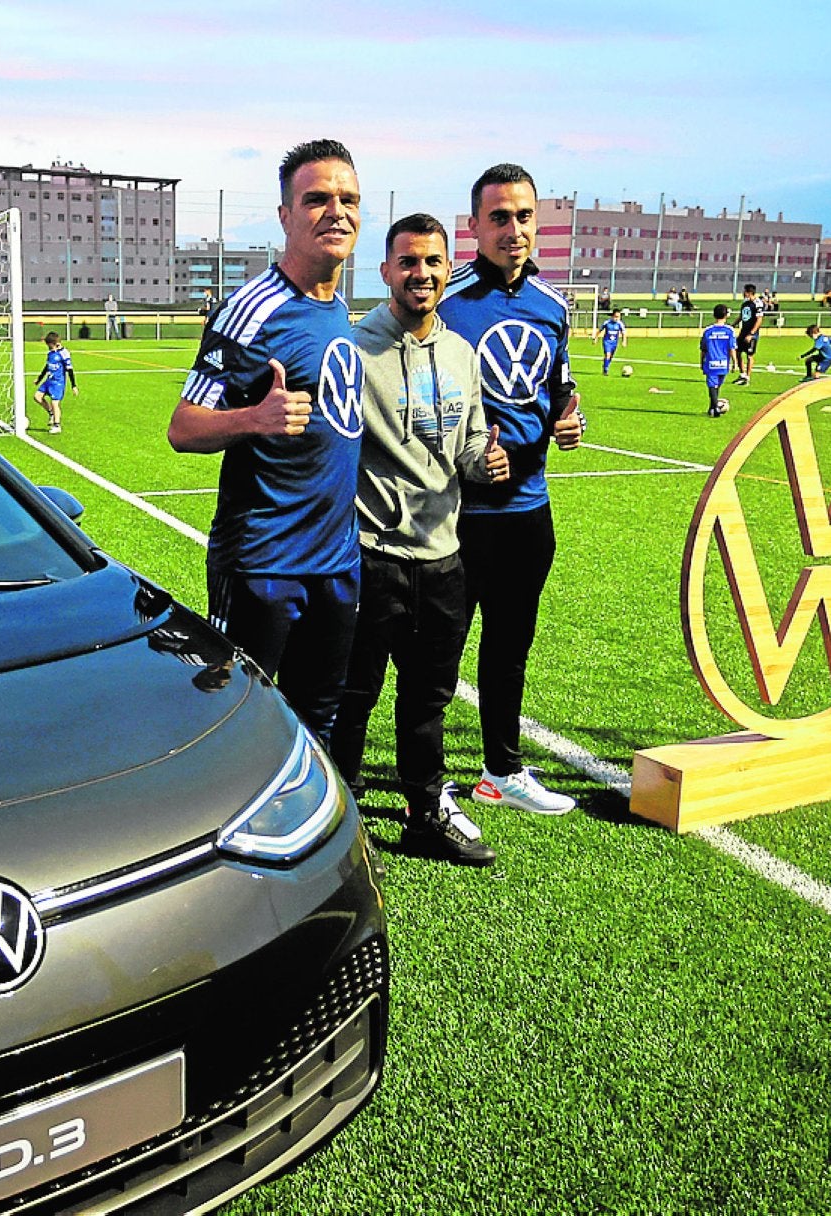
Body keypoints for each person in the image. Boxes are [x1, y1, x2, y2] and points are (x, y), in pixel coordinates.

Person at [167, 139, 365, 748]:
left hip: (337, 563)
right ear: (285, 216)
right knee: (237, 726)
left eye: (349, 199)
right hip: (264, 564)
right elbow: (183, 426)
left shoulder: (340, 308)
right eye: (317, 200)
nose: (336, 211)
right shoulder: (250, 311)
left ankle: (310, 841)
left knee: (318, 725)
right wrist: (254, 418)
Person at [331, 213, 509, 866]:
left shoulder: (462, 354)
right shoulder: (354, 349)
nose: (422, 273)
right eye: (408, 262)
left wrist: (483, 462)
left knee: (428, 700)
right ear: (385, 272)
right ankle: (342, 822)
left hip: (444, 563)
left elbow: (467, 444)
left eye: (433, 262)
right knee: (355, 700)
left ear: (446, 268)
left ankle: (424, 812)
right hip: (373, 559)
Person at [437, 163, 584, 817]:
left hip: (529, 512)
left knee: (509, 646)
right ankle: (428, 776)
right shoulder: (443, 299)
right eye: (499, 217)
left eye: (524, 216)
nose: (514, 229)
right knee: (436, 652)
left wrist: (569, 417)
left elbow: (558, 388)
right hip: (455, 515)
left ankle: (501, 771)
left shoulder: (553, 307)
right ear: (474, 226)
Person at [32, 330, 77, 433]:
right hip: (49, 381)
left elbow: (70, 370)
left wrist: (73, 385)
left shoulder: (64, 354)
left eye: (50, 346)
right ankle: (51, 414)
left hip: (58, 383)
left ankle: (57, 426)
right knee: (37, 397)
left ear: (56, 344)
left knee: (55, 403)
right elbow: (47, 367)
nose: (48, 348)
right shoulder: (50, 353)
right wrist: (39, 379)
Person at [701, 304, 737, 415]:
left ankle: (714, 407)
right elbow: (732, 348)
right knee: (716, 385)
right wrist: (735, 362)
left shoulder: (708, 331)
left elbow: (703, 349)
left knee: (713, 385)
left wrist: (701, 362)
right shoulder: (729, 330)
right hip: (723, 363)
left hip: (711, 362)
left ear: (713, 315)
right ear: (726, 315)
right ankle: (714, 408)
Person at [732, 284, 763, 385]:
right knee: (737, 352)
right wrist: (733, 325)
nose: (742, 293)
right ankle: (742, 375)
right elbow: (742, 316)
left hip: (751, 334)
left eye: (744, 291)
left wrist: (752, 333)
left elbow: (759, 320)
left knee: (749, 355)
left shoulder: (757, 303)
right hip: (743, 331)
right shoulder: (745, 302)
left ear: (749, 292)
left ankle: (747, 378)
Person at [600, 308, 627, 374]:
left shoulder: (620, 324)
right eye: (616, 316)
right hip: (607, 341)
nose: (617, 318)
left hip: (614, 343)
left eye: (619, 317)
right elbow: (600, 330)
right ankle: (606, 369)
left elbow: (623, 333)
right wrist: (595, 338)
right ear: (612, 316)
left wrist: (624, 341)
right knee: (607, 355)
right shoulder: (607, 322)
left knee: (611, 356)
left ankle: (605, 365)